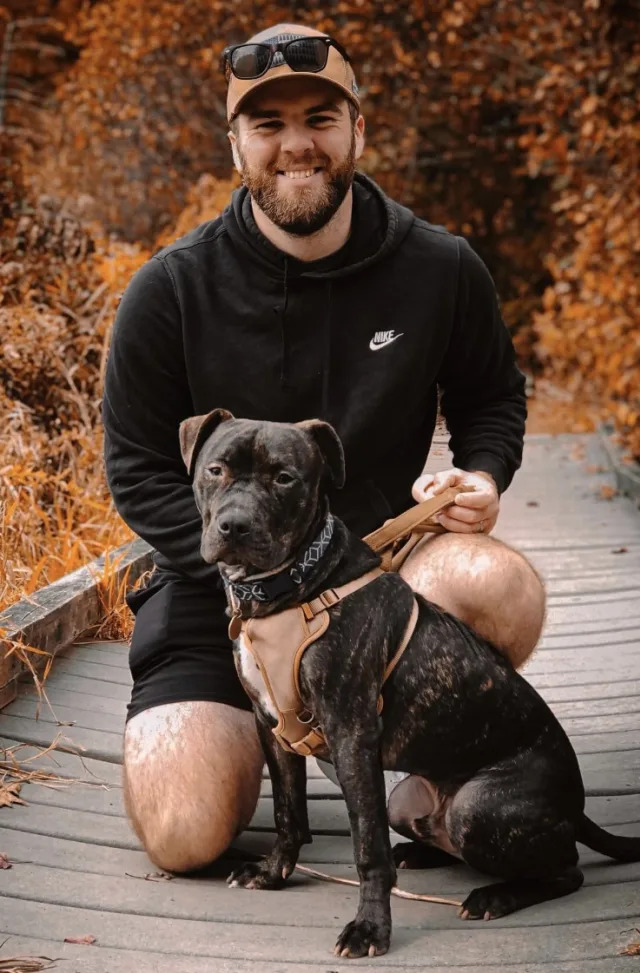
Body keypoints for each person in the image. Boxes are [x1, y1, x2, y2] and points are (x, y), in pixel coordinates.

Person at [103, 23, 545, 874]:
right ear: (235, 145)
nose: (295, 143)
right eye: (267, 125)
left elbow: (492, 396)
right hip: (217, 584)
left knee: (496, 582)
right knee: (183, 831)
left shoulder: (441, 266)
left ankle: (436, 774)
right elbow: (135, 468)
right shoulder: (170, 288)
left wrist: (483, 474)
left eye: (319, 117)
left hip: (379, 575)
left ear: (358, 130)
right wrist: (258, 582)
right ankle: (252, 728)